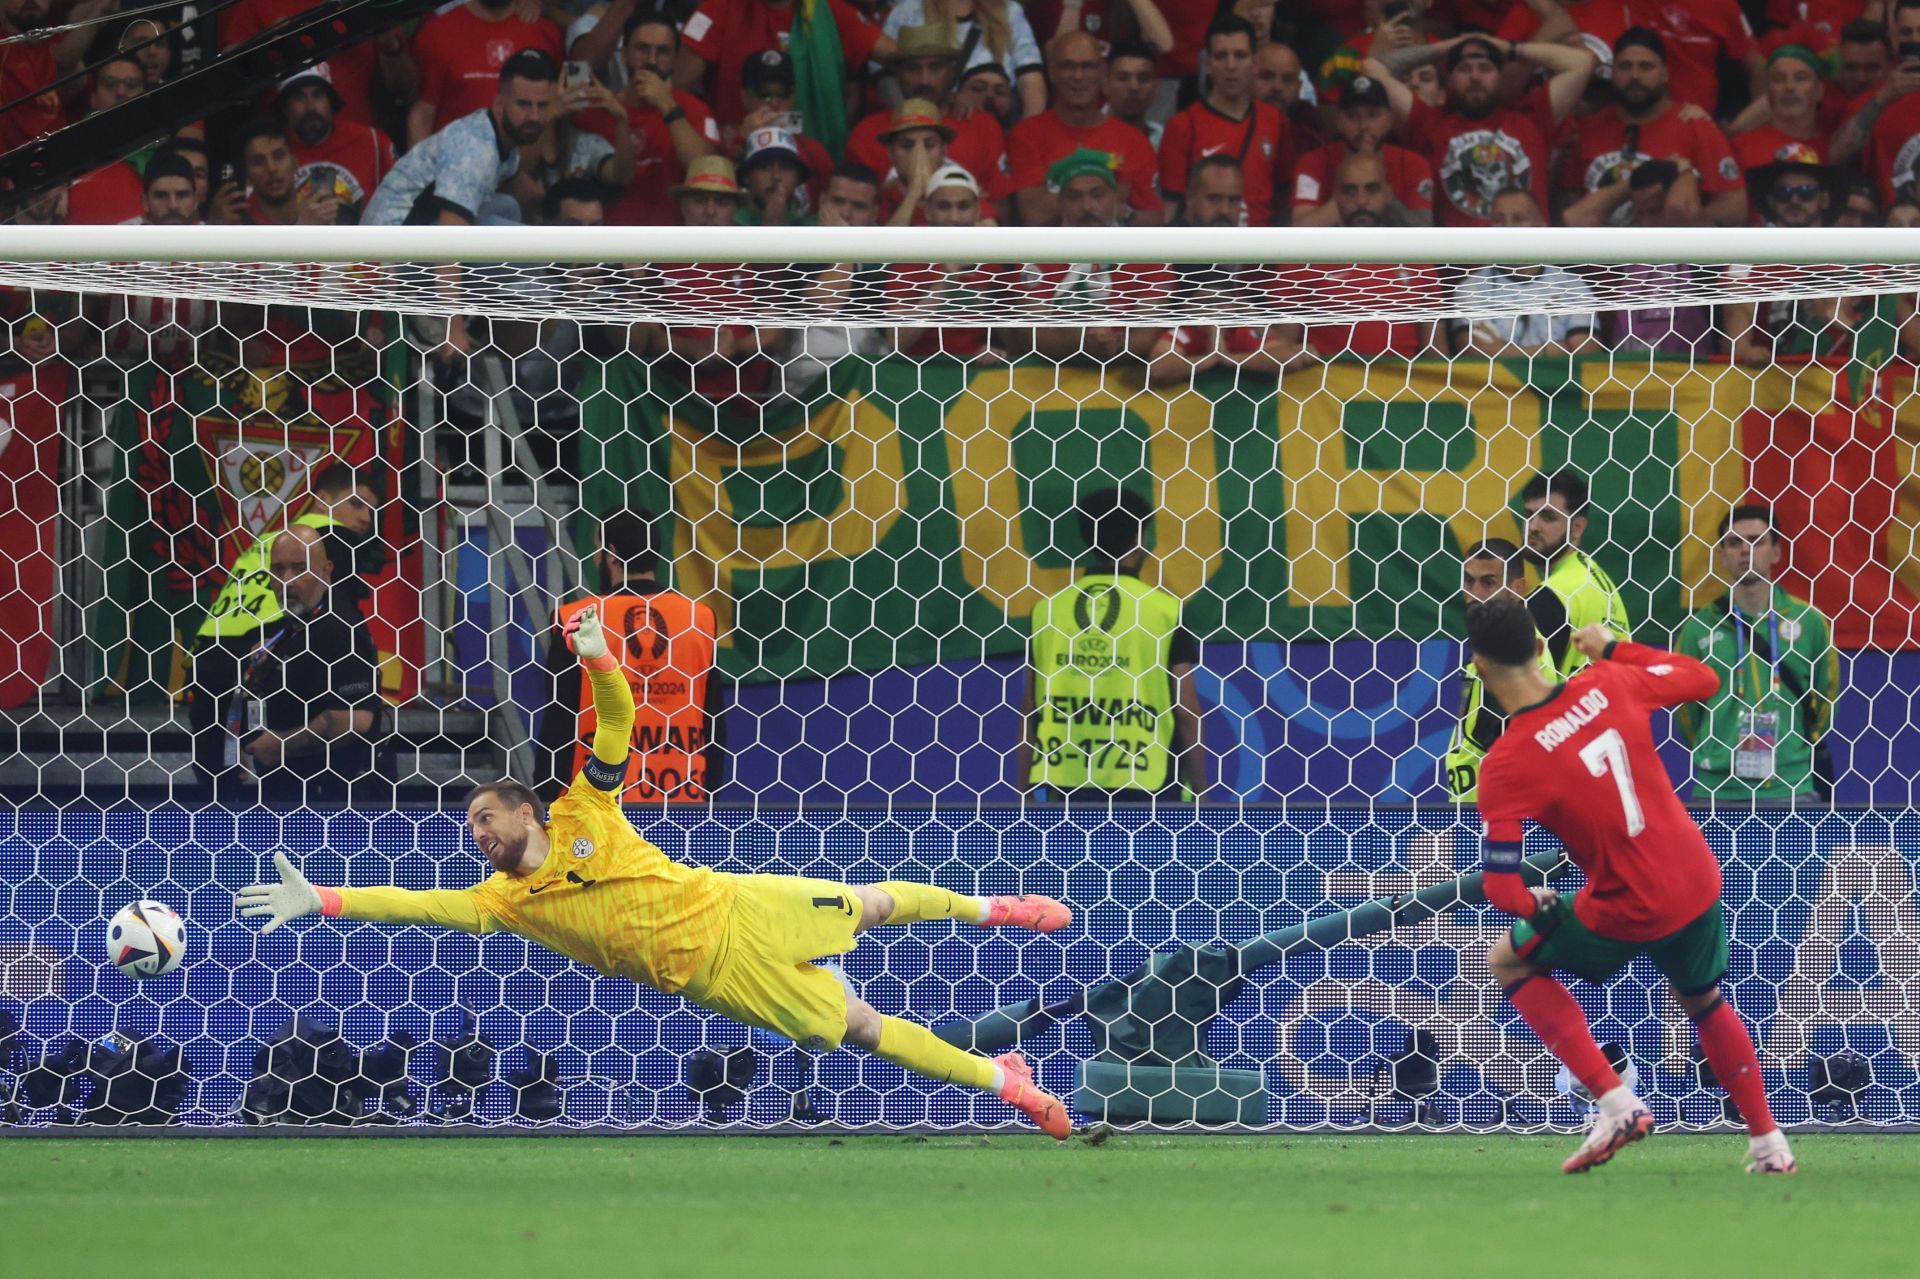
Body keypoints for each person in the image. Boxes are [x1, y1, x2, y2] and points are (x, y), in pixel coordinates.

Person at [235, 605, 1076, 1140]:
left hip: (736, 900)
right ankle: (1008, 1084)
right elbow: (415, 904)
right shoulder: (504, 902)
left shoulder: (584, 810)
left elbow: (618, 722)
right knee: (860, 1028)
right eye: (469, 827)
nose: (478, 833)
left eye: (485, 816)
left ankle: (996, 907)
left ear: (527, 810)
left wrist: (599, 657)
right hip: (717, 973)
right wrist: (326, 898)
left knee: (872, 901)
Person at [1470, 598, 1796, 1175]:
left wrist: (1531, 903)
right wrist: (1613, 648)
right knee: (1704, 1000)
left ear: (1477, 667)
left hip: (1626, 905)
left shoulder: (1506, 764)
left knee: (1509, 962)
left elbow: (1500, 888)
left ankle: (1615, 1101)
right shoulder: (1609, 680)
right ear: (1544, 648)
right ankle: (1769, 1145)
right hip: (1695, 878)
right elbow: (1702, 677)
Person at [191, 465, 381, 793]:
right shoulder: (329, 536)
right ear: (322, 501)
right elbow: (339, 607)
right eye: (355, 503)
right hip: (265, 647)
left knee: (225, 780)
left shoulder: (268, 541)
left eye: (371, 510)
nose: (365, 518)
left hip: (212, 654)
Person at [1015, 487, 1206, 803]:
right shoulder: (1164, 611)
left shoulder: (1048, 611)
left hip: (1069, 789)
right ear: (1138, 539)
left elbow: (1030, 710)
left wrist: (1023, 792)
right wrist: (1201, 792)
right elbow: (1186, 713)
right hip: (1150, 787)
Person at [536, 509, 723, 804]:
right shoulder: (699, 619)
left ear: (611, 553)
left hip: (595, 800)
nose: (596, 558)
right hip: (682, 796)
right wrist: (711, 799)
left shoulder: (576, 619)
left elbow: (559, 721)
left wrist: (544, 799)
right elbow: (713, 722)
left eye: (597, 549)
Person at [1676, 504, 1839, 805]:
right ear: (1722, 554)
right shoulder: (1698, 629)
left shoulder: (1810, 622)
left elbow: (1826, 698)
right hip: (1716, 791)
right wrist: (1715, 749)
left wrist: (1794, 750)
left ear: (1776, 552)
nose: (1745, 550)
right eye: (1734, 542)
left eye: (1756, 541)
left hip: (1790, 787)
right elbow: (1686, 711)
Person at [220, 523, 389, 807]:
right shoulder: (290, 629)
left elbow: (355, 720)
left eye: (299, 569)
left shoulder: (338, 628)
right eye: (278, 570)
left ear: (326, 571)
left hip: (334, 802)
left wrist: (279, 745)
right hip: (290, 795)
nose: (286, 581)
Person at [1364, 33, 1595, 227]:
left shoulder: (1531, 118)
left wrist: (1509, 48)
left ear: (1499, 77)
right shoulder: (1429, 123)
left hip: (1529, 268)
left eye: (1485, 68)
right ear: (1450, 79)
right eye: (1464, 69)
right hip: (1462, 273)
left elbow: (1582, 62)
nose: (1475, 77)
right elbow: (1373, 67)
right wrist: (1445, 47)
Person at [1561, 28, 1745, 229]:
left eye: (1646, 66)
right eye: (1625, 66)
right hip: (1603, 255)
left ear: (1665, 74)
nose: (1635, 75)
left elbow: (1735, 206)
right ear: (1612, 72)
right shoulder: (1587, 129)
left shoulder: (1696, 127)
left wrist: (1683, 225)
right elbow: (1570, 208)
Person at [365, 48, 559, 227]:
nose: (534, 116)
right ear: (499, 105)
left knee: (507, 205)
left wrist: (568, 215)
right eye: (524, 105)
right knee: (527, 249)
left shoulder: (500, 134)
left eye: (542, 106)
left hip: (423, 226)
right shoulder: (473, 150)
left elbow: (517, 185)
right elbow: (451, 240)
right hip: (388, 248)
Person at [848, 25, 1010, 212]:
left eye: (935, 67)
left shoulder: (983, 127)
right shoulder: (867, 133)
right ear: (897, 74)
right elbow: (853, 215)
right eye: (912, 68)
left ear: (951, 71)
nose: (924, 80)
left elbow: (1000, 209)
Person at [583, 9, 721, 226]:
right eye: (642, 49)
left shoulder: (694, 109)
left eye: (663, 51)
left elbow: (706, 169)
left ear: (675, 59)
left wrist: (667, 105)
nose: (652, 60)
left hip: (674, 245)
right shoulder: (598, 108)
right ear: (623, 54)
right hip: (611, 244)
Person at [1009, 30, 1160, 226]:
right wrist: (1111, 194)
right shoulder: (1026, 134)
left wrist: (1063, 196)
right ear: (1052, 72)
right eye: (1067, 66)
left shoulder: (1133, 140)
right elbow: (1034, 214)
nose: (1078, 76)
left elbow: (1154, 219)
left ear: (1103, 72)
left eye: (1088, 66)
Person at [1157, 15, 1289, 227]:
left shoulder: (1275, 121)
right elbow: (1170, 207)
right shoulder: (1183, 126)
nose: (1231, 66)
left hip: (1261, 254)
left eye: (1240, 55)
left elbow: (1284, 199)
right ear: (1208, 64)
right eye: (1221, 56)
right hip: (1201, 252)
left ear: (1255, 63)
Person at [1451, 190, 1598, 356]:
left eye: (1518, 219)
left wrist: (1501, 351)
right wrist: (1560, 349)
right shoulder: (1471, 289)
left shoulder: (1572, 285)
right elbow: (1474, 352)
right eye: (1499, 220)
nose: (1508, 228)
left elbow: (1586, 351)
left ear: (1542, 227)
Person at [1519, 470, 1630, 681]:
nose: (1532, 527)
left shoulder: (1552, 595)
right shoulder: (1597, 578)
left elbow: (1528, 689)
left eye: (1548, 517)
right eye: (1528, 515)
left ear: (1577, 527)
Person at [407, 0, 564, 148]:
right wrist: (423, 173)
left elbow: (563, 108)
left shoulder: (546, 32)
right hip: (457, 168)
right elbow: (423, 112)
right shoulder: (436, 33)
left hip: (529, 166)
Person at [1291, 74, 1434, 227]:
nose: (1363, 125)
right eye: (1352, 116)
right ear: (1339, 121)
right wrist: (1345, 196)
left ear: (1389, 119)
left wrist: (1385, 196)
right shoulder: (1313, 162)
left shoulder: (1413, 164)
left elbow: (1423, 232)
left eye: (1373, 115)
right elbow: (1300, 231)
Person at [1444, 537, 1526, 803]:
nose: (1474, 594)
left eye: (1488, 583)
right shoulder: (1487, 646)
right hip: (1470, 821)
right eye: (1469, 581)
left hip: (1497, 824)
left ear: (1517, 589)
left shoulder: (1513, 656)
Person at [882, 0, 1045, 119]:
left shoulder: (1009, 12)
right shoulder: (907, 12)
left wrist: (1024, 136)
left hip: (995, 131)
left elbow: (1032, 83)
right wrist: (912, 123)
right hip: (922, 125)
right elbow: (886, 78)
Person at [278, 64, 395, 225]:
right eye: (299, 97)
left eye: (318, 95)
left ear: (330, 101)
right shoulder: (270, 155)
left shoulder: (373, 141)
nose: (311, 107)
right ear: (285, 108)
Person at [1831, 0, 1920, 203]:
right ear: (1893, 37)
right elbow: (1834, 157)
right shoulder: (1873, 100)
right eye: (1907, 32)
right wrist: (1882, 99)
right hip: (1894, 226)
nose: (1916, 39)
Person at [1731, 43, 1831, 176]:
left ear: (1819, 90)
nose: (1789, 86)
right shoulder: (1740, 147)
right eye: (1778, 79)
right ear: (1768, 91)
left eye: (1800, 78)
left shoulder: (1832, 148)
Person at [234, 121, 340, 226]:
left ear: (295, 163)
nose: (271, 168)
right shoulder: (237, 228)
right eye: (258, 162)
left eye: (279, 156)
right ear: (246, 175)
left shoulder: (323, 215)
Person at [1104, 39, 1161, 147]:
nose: (1134, 87)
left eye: (1143, 79)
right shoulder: (1086, 138)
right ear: (1105, 84)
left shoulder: (1166, 140)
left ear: (1155, 86)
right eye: (1123, 78)